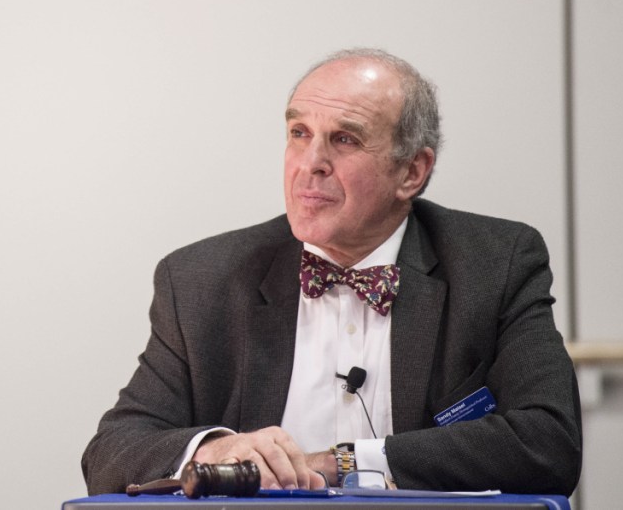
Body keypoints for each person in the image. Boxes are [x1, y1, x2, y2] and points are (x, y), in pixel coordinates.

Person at [81, 48, 582, 496]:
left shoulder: (494, 263)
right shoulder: (200, 279)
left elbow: (548, 442)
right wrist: (212, 451)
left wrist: (342, 463)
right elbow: (111, 452)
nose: (311, 163)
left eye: (344, 139)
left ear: (412, 172)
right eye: (299, 134)